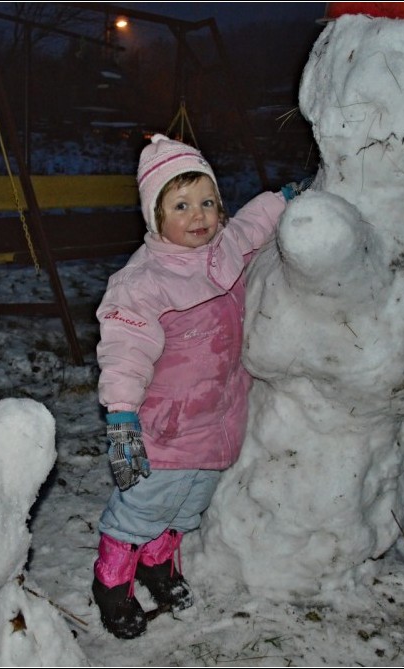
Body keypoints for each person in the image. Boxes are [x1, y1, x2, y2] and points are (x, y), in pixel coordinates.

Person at [92, 133, 303, 639]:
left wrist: (285, 199)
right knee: (142, 506)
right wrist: (121, 413)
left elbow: (252, 223)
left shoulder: (224, 246)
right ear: (155, 217)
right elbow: (124, 351)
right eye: (181, 205)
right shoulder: (143, 282)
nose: (199, 216)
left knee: (189, 501)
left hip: (217, 416)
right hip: (166, 424)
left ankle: (158, 565)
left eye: (207, 202)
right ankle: (112, 582)